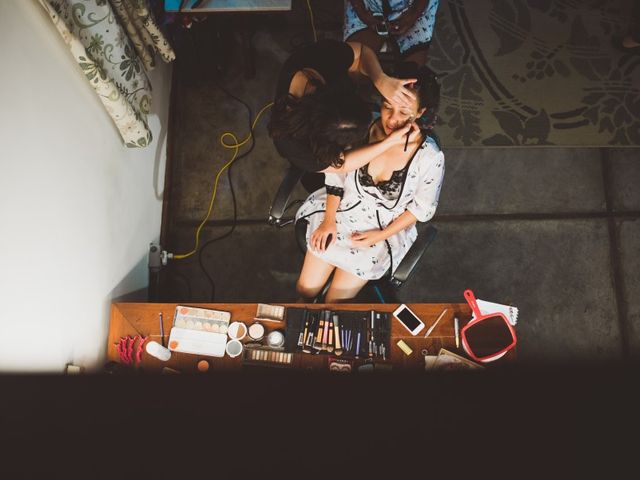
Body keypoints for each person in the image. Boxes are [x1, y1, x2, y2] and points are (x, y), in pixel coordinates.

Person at [294, 62, 444, 303]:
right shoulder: (361, 126)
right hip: (339, 212)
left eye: (404, 112)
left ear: (420, 112)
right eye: (387, 106)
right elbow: (336, 173)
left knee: (334, 304)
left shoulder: (430, 156)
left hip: (379, 232)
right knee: (305, 291)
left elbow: (421, 208)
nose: (392, 119)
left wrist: (380, 235)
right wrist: (328, 220)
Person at [268, 39, 418, 191]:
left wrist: (379, 78)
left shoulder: (317, 58)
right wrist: (388, 143)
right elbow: (342, 164)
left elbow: (362, 51)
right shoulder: (295, 146)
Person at [344, 0, 440, 66]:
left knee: (412, 81)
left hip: (414, 4)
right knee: (353, 66)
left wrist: (413, 13)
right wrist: (362, 13)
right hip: (367, 4)